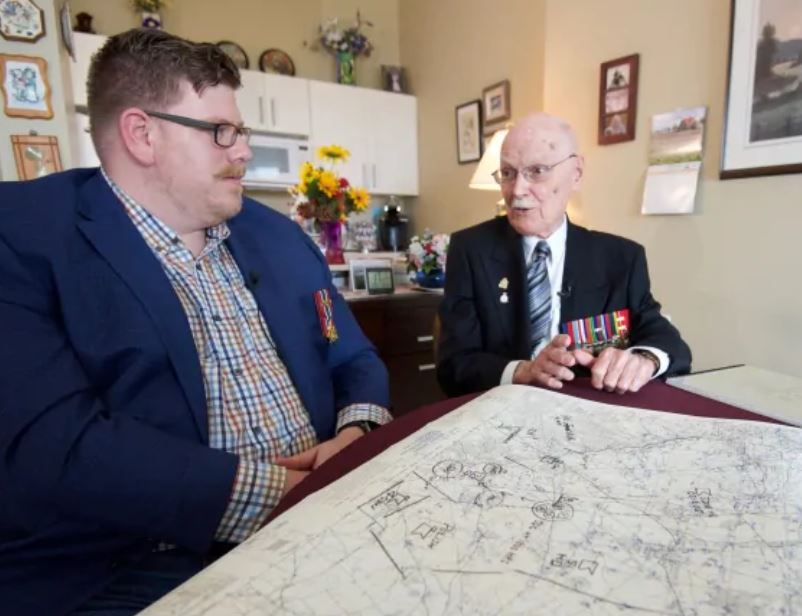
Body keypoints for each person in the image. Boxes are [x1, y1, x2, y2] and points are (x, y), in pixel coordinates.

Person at [0, 28, 390, 615]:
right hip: (131, 564)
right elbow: (60, 447)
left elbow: (353, 357)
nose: (242, 152)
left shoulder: (279, 235)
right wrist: (289, 494)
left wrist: (354, 439)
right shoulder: (23, 236)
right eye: (220, 133)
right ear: (142, 133)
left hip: (322, 514)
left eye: (241, 132)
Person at [437, 112, 691, 398]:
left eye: (536, 171)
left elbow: (670, 343)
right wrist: (524, 371)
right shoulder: (471, 250)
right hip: (502, 410)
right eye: (507, 173)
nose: (517, 190)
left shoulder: (621, 258)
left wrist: (643, 360)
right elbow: (453, 366)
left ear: (577, 173)